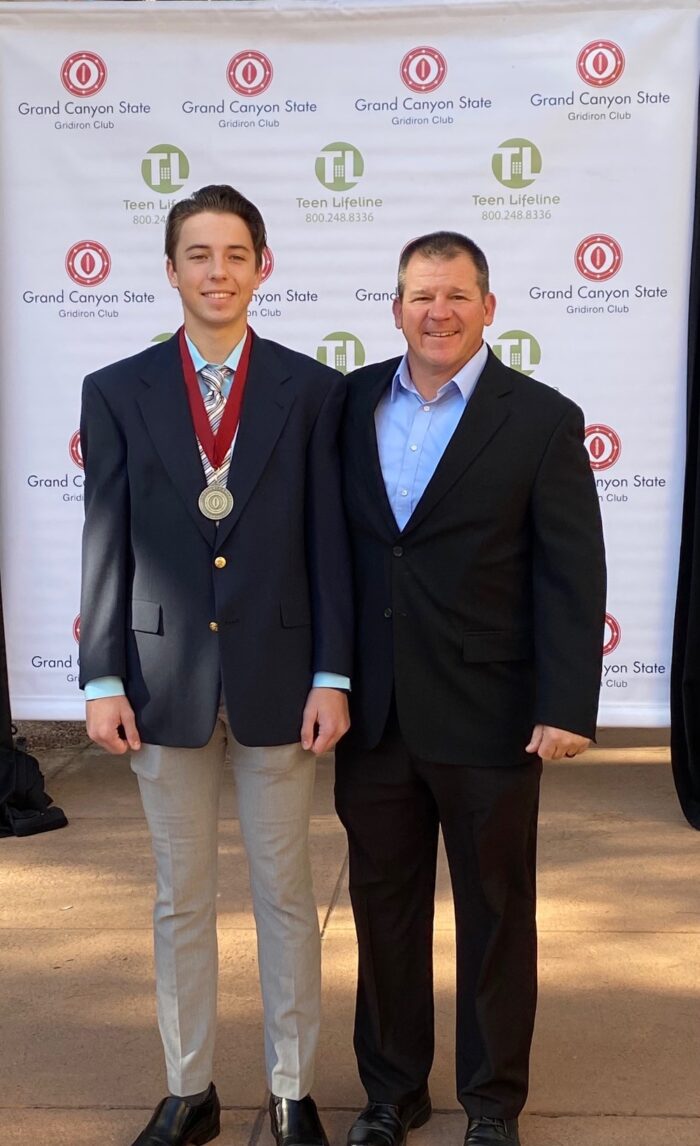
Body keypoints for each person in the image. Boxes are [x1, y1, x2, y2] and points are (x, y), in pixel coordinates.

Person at [79, 184, 352, 1146]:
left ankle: (291, 1090)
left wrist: (335, 673)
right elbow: (104, 536)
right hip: (160, 688)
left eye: (236, 254)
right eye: (199, 255)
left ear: (263, 267)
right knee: (179, 897)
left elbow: (331, 543)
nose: (218, 272)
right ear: (170, 271)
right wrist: (102, 677)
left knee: (285, 893)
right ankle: (188, 1087)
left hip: (283, 682)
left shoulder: (314, 390)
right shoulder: (115, 389)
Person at [335, 232, 606, 1146]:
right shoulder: (349, 404)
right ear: (395, 307)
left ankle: (492, 1104)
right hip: (373, 716)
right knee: (383, 911)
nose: (437, 312)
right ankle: (393, 1092)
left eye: (455, 295)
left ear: (489, 307)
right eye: (420, 296)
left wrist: (566, 703)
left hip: (490, 713)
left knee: (495, 917)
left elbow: (572, 573)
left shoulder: (540, 418)